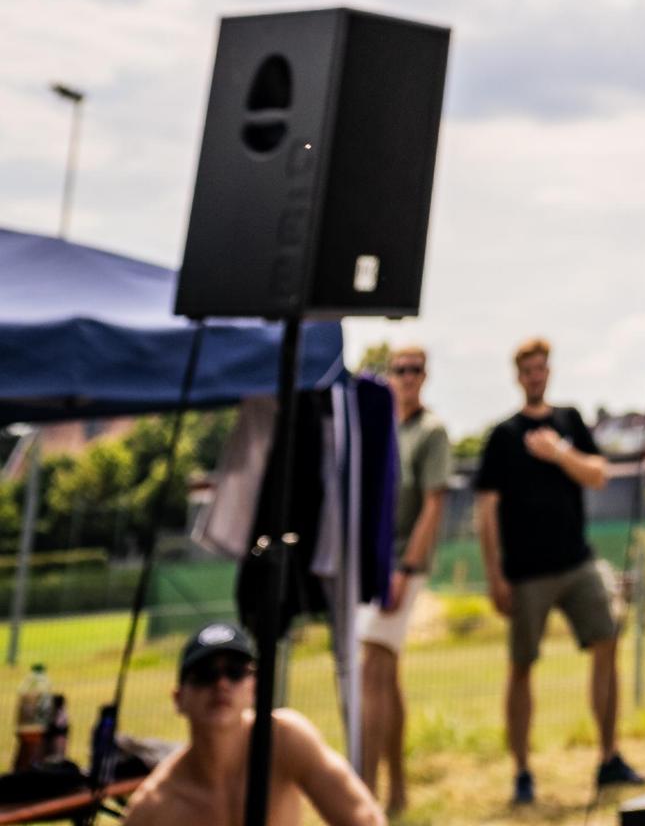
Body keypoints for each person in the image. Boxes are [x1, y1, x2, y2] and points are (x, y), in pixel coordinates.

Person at [473, 337, 639, 806]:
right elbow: (485, 510)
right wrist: (494, 576)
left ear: (549, 371)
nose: (535, 376)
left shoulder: (568, 421)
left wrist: (559, 453)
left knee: (607, 642)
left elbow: (598, 473)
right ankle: (522, 772)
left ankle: (609, 757)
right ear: (517, 375)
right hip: (525, 574)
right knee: (522, 666)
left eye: (541, 368)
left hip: (577, 562)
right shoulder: (502, 436)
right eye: (527, 370)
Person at [123, 622, 382, 826]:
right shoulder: (154, 807)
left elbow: (364, 818)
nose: (221, 684)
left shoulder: (284, 739)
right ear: (179, 699)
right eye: (205, 675)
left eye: (235, 671)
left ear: (255, 688)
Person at [356, 340, 451, 815]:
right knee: (385, 676)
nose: (407, 377)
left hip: (400, 568)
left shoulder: (431, 432)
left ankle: (363, 795)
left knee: (371, 666)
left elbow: (433, 506)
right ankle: (396, 792)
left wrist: (405, 570)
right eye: (399, 369)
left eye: (415, 369)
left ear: (425, 375)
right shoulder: (379, 427)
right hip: (370, 563)